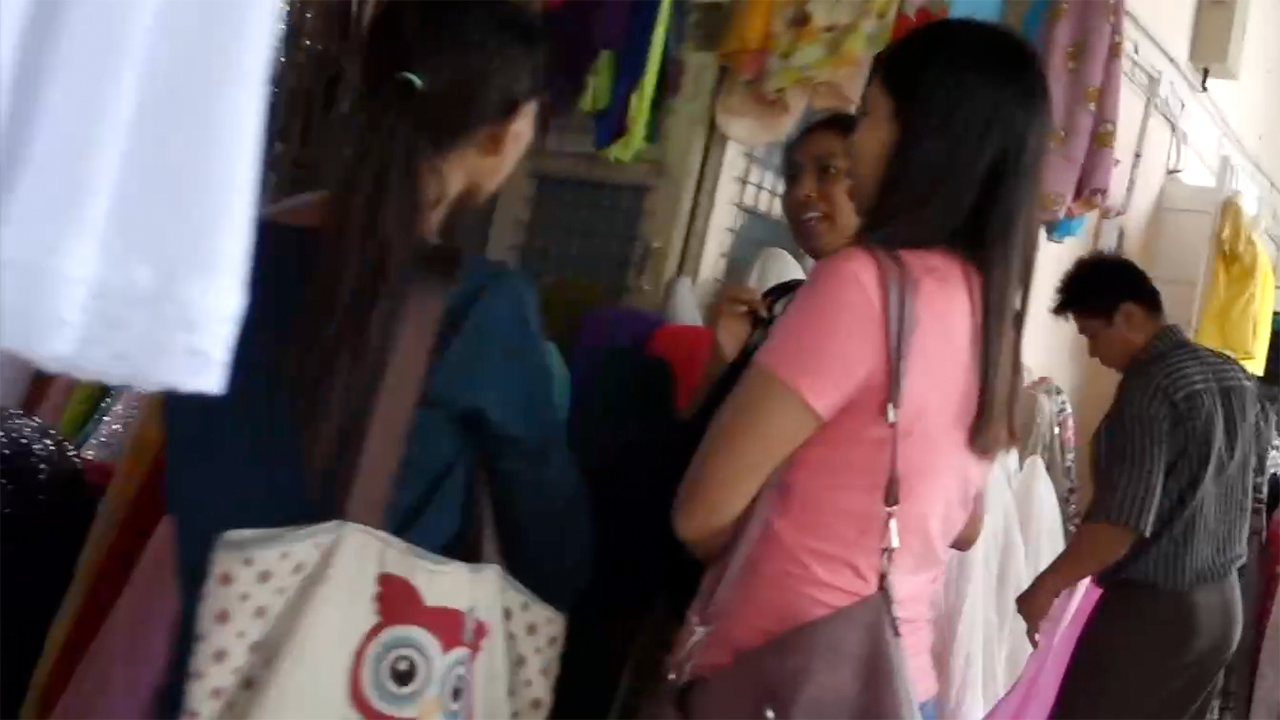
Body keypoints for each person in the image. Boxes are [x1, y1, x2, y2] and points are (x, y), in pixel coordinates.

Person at [163, 1, 590, 712]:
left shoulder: (221, 262)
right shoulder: (479, 309)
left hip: (208, 681)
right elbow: (553, 550)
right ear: (506, 131)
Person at [671, 19, 1049, 717]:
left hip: (779, 675)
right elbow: (965, 527)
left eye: (871, 117)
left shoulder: (863, 285)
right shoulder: (990, 314)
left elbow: (701, 514)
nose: (858, 141)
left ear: (925, 141)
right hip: (895, 685)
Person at [1017, 252, 1262, 719]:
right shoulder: (1232, 376)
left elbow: (1119, 523)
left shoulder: (1150, 388)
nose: (1091, 352)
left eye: (1093, 335)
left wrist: (1045, 586)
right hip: (1223, 608)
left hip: (1158, 614)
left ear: (1128, 315)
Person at [696, 112, 862, 408]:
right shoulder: (778, 303)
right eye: (792, 177)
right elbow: (702, 433)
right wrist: (724, 362)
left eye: (829, 170)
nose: (801, 192)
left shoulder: (885, 318)